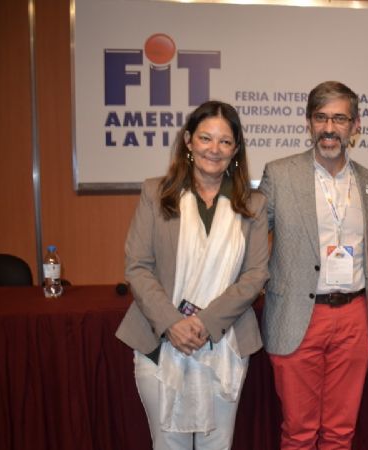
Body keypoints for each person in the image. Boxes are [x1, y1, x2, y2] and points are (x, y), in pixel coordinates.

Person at [115, 100, 269, 449]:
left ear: (236, 149)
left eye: (225, 141)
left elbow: (256, 274)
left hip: (224, 343)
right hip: (161, 342)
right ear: (188, 140)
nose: (214, 149)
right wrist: (172, 322)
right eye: (205, 138)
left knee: (218, 444)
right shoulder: (156, 193)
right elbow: (137, 266)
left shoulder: (253, 205)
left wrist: (205, 322)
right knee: (168, 443)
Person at [259, 80, 368, 450]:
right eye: (321, 118)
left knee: (341, 432)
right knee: (299, 432)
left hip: (354, 317)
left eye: (340, 119)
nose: (329, 128)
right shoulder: (279, 174)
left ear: (355, 126)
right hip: (299, 313)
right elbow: (247, 241)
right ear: (309, 123)